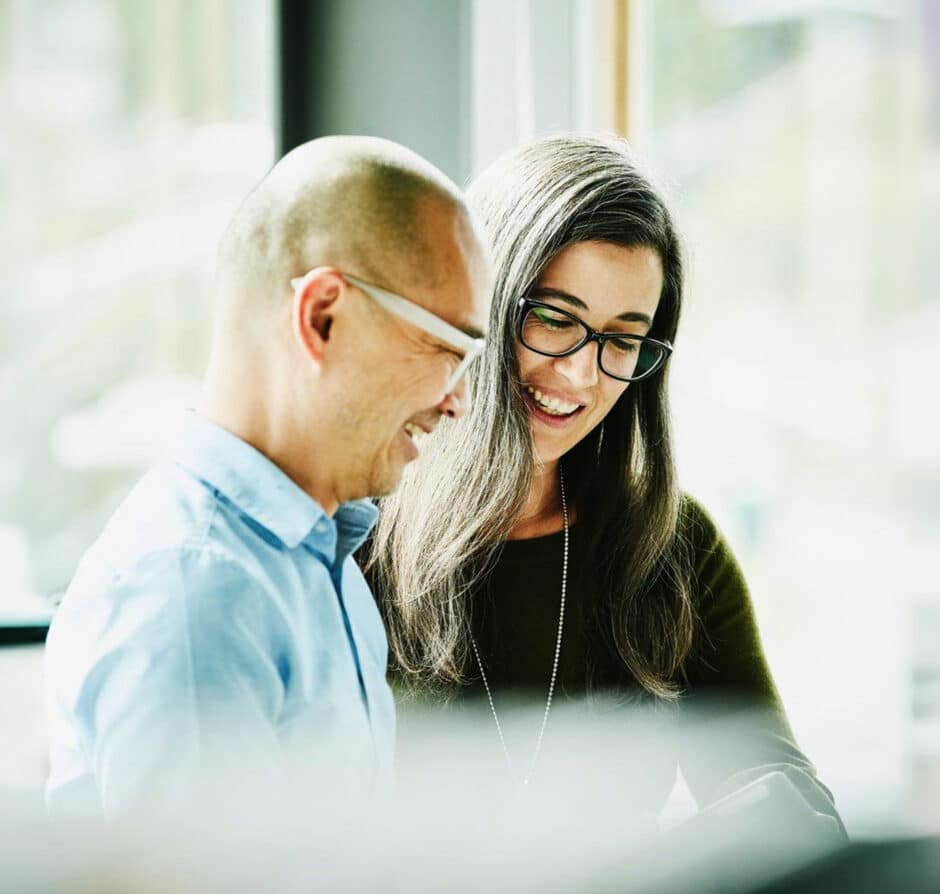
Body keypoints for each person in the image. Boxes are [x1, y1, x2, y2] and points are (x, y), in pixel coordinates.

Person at [366, 134, 844, 830]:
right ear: (480, 305)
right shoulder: (352, 533)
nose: (583, 377)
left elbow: (792, 809)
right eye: (556, 320)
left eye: (623, 339)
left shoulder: (669, 546)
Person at [44, 136, 491, 817]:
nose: (459, 399)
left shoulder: (320, 560)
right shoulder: (197, 596)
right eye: (446, 348)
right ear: (323, 318)